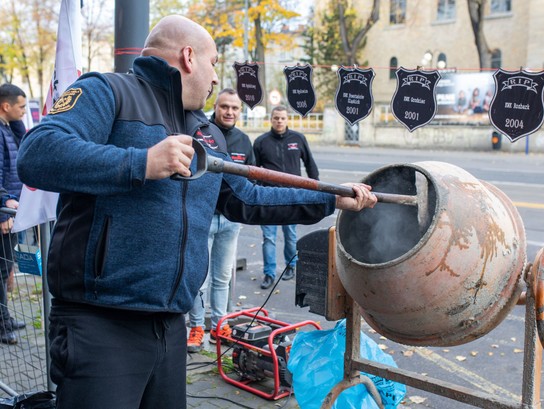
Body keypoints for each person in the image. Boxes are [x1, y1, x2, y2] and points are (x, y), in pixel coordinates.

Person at [16, 15, 377, 409]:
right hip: (101, 325)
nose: (215, 75)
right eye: (214, 61)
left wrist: (331, 200)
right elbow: (38, 154)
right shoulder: (107, 91)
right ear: (188, 56)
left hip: (170, 327)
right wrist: (142, 163)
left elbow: (247, 199)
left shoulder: (206, 131)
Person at [187, 88, 255, 352]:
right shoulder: (201, 133)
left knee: (222, 277)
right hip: (202, 217)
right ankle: (195, 327)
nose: (229, 112)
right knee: (198, 277)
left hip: (230, 222)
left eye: (234, 108)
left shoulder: (243, 140)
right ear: (216, 107)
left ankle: (219, 326)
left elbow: (251, 178)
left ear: (240, 111)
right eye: (224, 107)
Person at [253, 105, 320, 290]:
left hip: (292, 197)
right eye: (276, 118)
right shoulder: (260, 142)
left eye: (282, 118)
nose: (279, 121)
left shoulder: (298, 139)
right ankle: (269, 273)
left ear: (287, 119)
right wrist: (256, 194)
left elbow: (310, 164)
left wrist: (316, 187)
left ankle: (291, 266)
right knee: (269, 238)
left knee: (290, 236)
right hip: (268, 199)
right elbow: (253, 171)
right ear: (271, 119)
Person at [0, 83, 27, 345]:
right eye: (20, 107)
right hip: (4, 212)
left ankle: (5, 317)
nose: (24, 111)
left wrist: (17, 122)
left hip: (11, 208)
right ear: (5, 106)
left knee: (6, 267)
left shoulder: (8, 127)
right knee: (0, 270)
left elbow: (24, 143)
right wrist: (2, 211)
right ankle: (1, 323)